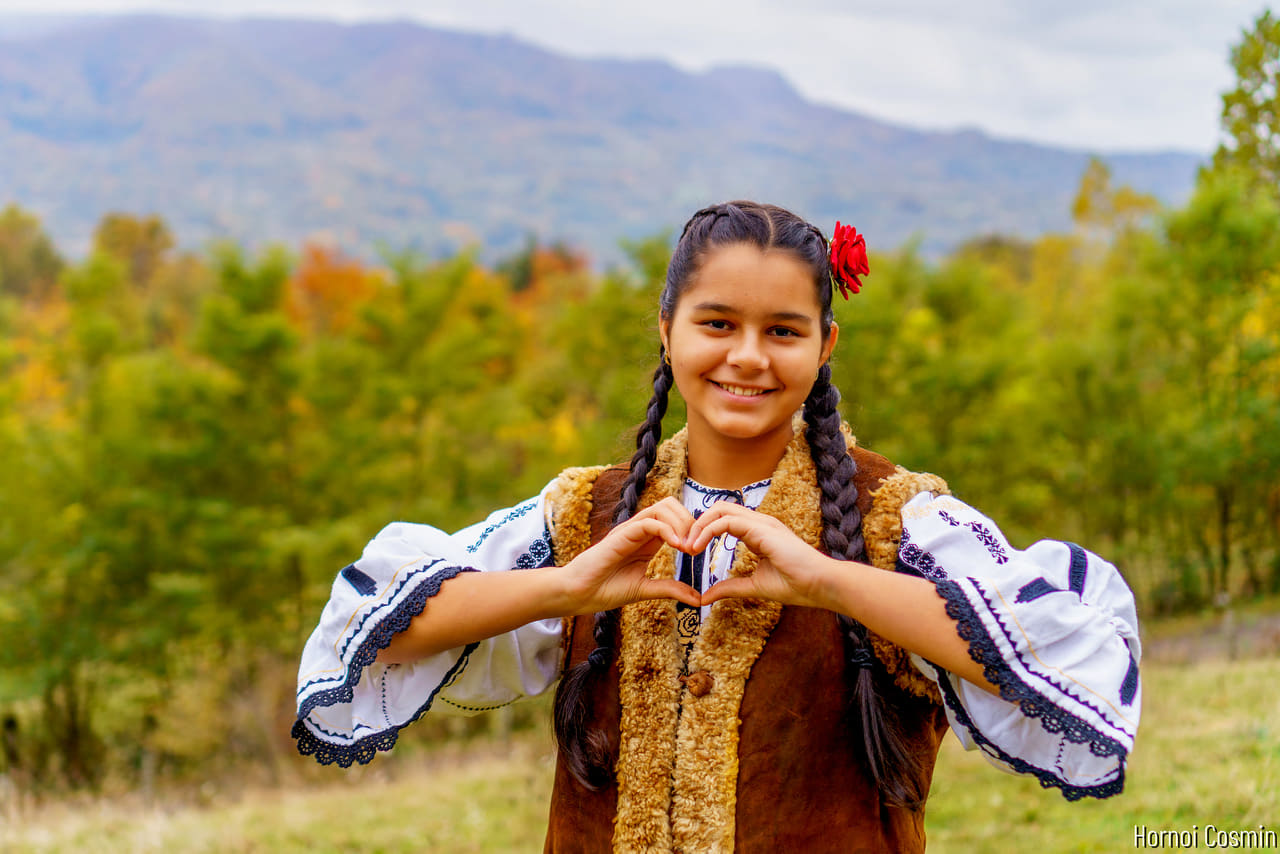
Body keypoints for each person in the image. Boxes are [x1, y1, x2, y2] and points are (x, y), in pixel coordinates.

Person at [293, 201, 1141, 852]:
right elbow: (374, 631)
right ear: (667, 331)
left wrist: (828, 581)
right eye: (717, 323)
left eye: (783, 331)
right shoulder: (589, 512)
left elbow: (1081, 662)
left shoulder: (894, 517)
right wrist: (566, 587)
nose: (748, 356)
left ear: (825, 346)